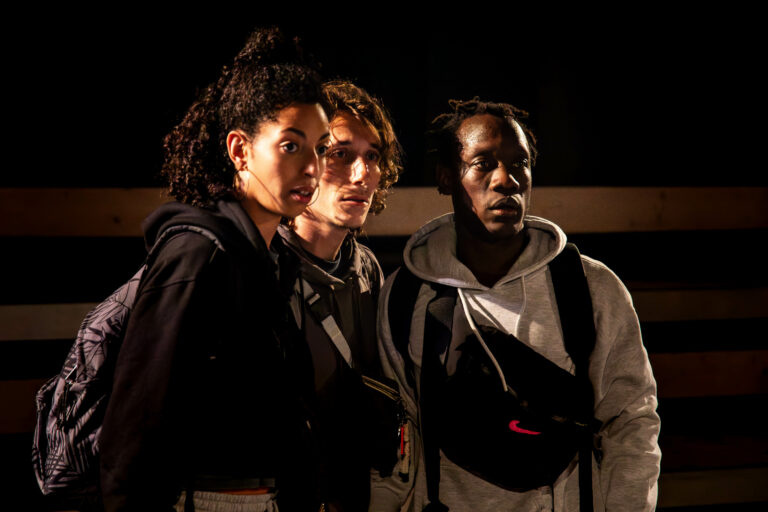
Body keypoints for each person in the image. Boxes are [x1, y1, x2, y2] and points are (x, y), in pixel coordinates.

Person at [371, 99, 661, 511]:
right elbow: (399, 443)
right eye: (483, 164)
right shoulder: (407, 296)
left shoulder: (589, 288)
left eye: (520, 164)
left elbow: (631, 422)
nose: (506, 180)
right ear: (446, 177)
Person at [99, 28, 331, 512]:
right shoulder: (198, 254)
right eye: (291, 146)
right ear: (240, 150)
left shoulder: (273, 258)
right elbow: (136, 424)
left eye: (321, 148)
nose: (312, 166)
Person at [277, 80, 403, 511]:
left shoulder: (365, 268)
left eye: (373, 156)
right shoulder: (262, 266)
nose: (362, 174)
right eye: (341, 154)